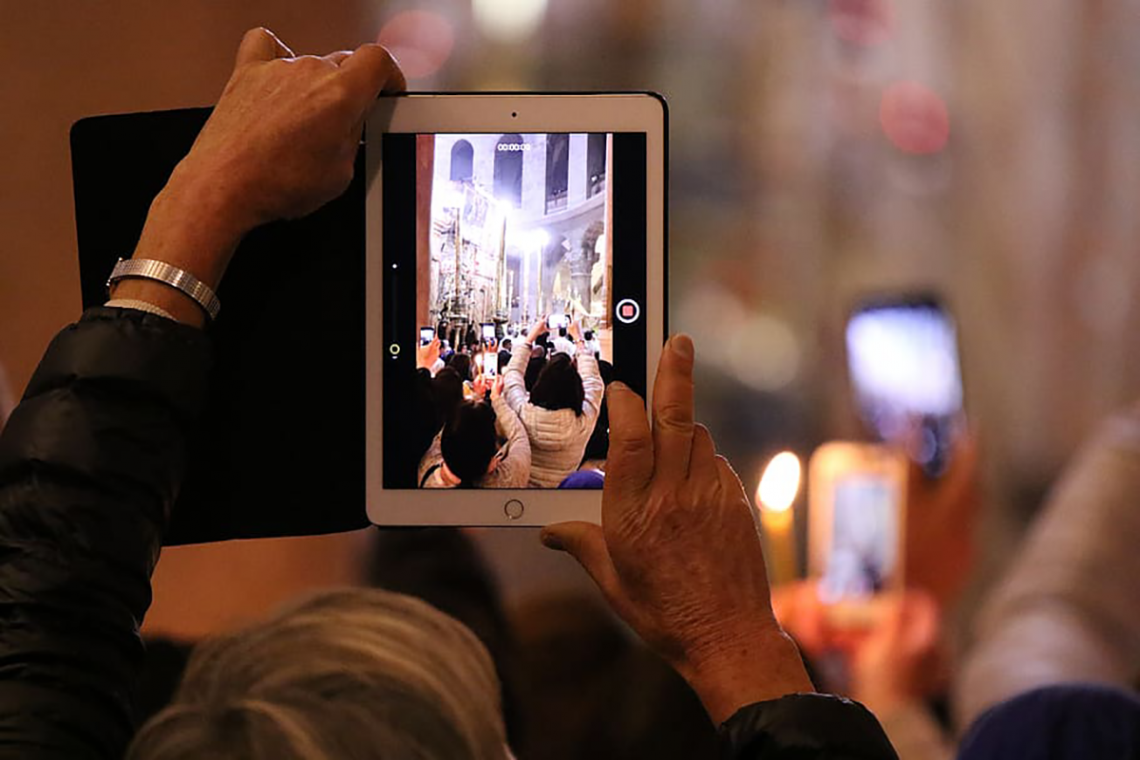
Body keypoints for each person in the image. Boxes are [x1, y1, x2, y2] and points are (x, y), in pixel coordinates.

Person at [0, 28, 898, 759]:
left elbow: (44, 629)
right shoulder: (555, 417)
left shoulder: (510, 419)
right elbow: (47, 628)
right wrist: (735, 643)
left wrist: (197, 205)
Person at [503, 318, 604, 487]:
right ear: (576, 389)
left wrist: (531, 337)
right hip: (562, 492)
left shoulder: (521, 411)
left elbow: (512, 374)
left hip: (520, 490)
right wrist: (578, 339)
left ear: (540, 384)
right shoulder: (584, 421)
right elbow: (593, 381)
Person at [418, 376, 531, 488]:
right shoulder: (509, 480)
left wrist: (475, 397)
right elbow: (519, 436)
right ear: (493, 459)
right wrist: (496, 398)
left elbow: (452, 431)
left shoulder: (427, 468)